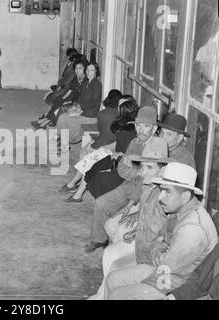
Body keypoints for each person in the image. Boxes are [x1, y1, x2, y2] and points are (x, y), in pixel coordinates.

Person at [105, 163, 218, 300]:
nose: (160, 197)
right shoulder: (177, 211)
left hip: (176, 283)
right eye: (161, 190)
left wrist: (159, 247)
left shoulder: (193, 228)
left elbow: (164, 260)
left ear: (184, 197)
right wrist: (160, 247)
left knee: (118, 295)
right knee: (112, 279)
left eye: (167, 192)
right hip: (165, 272)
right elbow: (159, 239)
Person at [89, 137, 172, 299]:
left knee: (115, 266)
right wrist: (135, 231)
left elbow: (162, 235)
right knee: (109, 254)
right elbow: (147, 219)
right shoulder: (149, 187)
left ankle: (107, 294)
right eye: (142, 166)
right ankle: (103, 294)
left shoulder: (167, 196)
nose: (142, 172)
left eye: (149, 167)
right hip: (142, 240)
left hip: (153, 254)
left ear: (162, 170)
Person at [84, 106, 159, 253]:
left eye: (146, 126)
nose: (141, 130)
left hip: (143, 193)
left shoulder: (157, 148)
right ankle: (99, 239)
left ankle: (116, 250)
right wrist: (137, 173)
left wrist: (131, 203)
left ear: (154, 129)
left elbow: (148, 184)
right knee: (100, 203)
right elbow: (122, 168)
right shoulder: (134, 143)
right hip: (129, 184)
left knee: (120, 223)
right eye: (138, 126)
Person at [59, 89, 123, 203]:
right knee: (89, 165)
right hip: (108, 147)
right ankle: (75, 190)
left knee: (87, 161)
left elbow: (100, 129)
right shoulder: (119, 116)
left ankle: (72, 184)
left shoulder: (102, 113)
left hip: (98, 143)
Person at [55, 62, 103, 151]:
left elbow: (94, 101)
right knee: (62, 117)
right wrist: (76, 106)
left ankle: (72, 141)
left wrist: (80, 110)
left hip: (90, 115)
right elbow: (80, 98)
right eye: (87, 70)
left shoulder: (97, 84)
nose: (88, 72)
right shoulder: (86, 82)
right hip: (82, 110)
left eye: (91, 70)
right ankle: (62, 141)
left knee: (68, 119)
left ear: (96, 72)